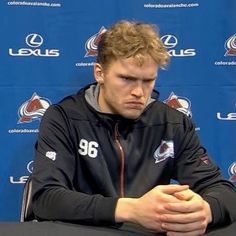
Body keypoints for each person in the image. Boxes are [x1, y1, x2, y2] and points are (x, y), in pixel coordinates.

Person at [31, 20, 236, 235]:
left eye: (148, 81)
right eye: (126, 79)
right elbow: (46, 198)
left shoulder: (173, 123)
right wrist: (131, 210)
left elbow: (224, 191)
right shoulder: (63, 118)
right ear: (99, 73)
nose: (139, 92)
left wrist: (205, 211)